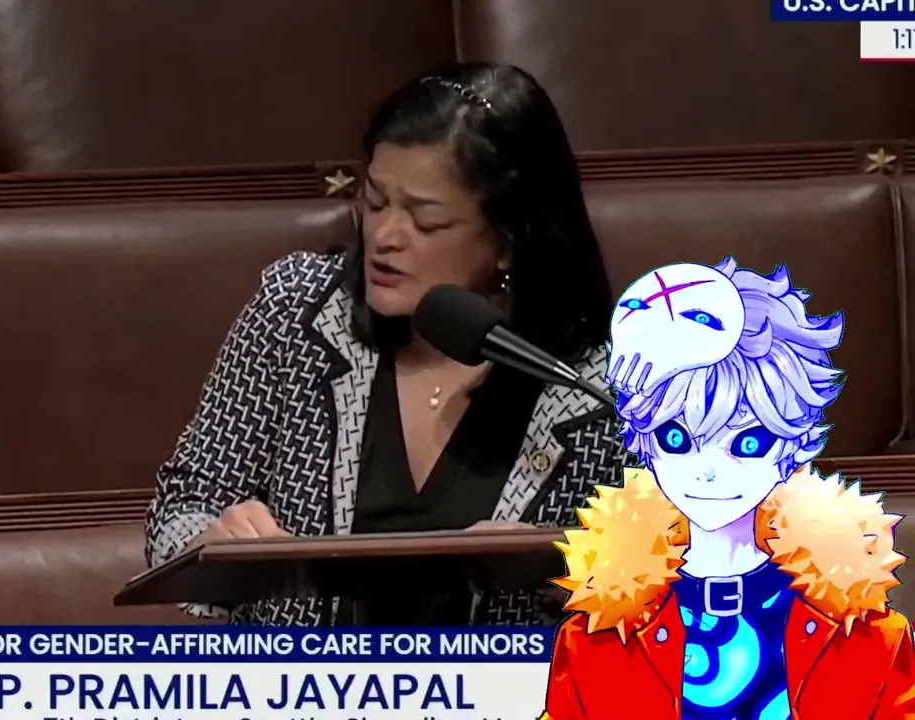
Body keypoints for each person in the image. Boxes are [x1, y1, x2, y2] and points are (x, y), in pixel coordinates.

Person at [146, 62, 626, 626]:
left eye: (426, 221)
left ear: (508, 241)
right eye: (375, 202)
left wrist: (572, 573)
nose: (384, 236)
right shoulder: (296, 312)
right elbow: (181, 506)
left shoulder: (599, 385)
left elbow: (678, 576)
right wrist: (212, 543)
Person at [543, 260, 915, 719]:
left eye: (749, 442)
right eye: (675, 439)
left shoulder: (866, 635)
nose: (708, 472)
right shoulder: (596, 639)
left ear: (795, 443)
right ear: (642, 440)